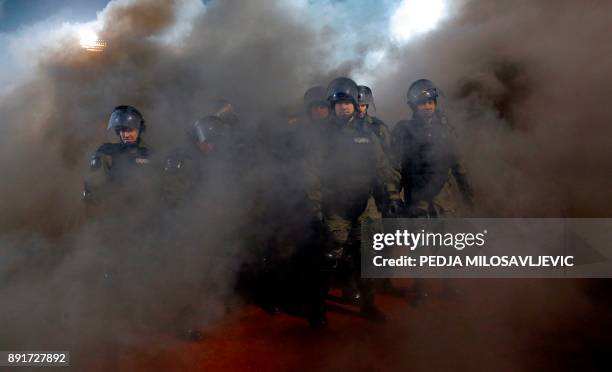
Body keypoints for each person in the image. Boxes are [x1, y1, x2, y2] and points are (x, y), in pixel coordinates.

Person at [307, 77, 403, 326]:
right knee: (330, 258)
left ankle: (369, 305)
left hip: (365, 205)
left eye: (349, 102)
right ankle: (317, 309)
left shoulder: (368, 134)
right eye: (339, 104)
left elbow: (383, 168)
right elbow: (312, 174)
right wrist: (315, 208)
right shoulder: (322, 138)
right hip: (336, 205)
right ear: (332, 106)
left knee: (367, 257)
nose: (345, 107)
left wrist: (393, 195)